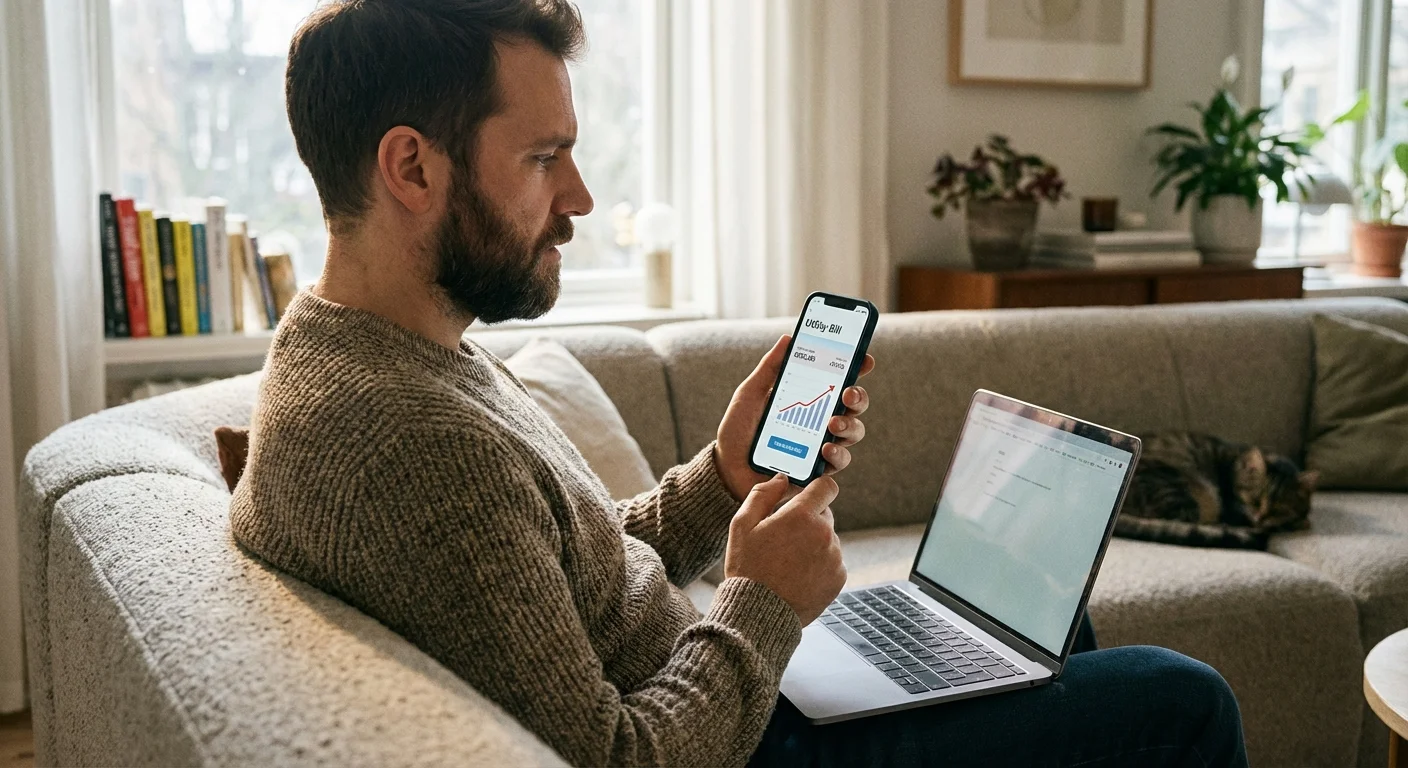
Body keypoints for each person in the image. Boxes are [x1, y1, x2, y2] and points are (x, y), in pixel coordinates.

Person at [231, 1, 1248, 766]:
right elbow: (617, 758)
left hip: (722, 687)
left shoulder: (394, 350)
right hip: (743, 738)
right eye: (544, 158)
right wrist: (761, 603)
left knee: (1028, 630)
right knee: (1178, 697)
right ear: (412, 168)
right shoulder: (404, 438)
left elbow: (555, 570)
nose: (579, 197)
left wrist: (721, 476)